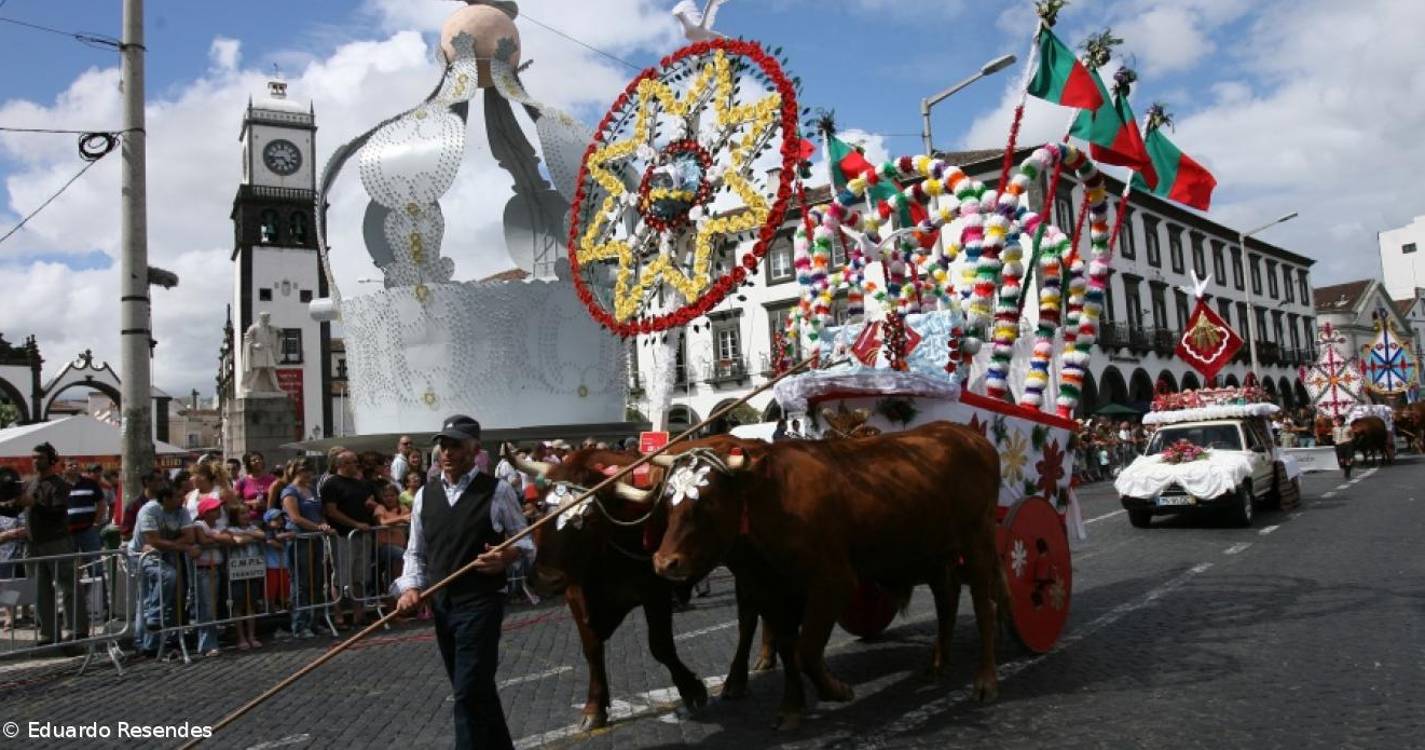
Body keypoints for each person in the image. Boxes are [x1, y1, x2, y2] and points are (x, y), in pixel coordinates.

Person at [395, 415, 533, 750]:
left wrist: (505, 557)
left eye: (455, 444)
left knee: (467, 691)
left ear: (475, 450)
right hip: (443, 604)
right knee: (475, 688)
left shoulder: (497, 491)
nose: (446, 451)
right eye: (443, 444)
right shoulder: (425, 496)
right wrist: (411, 588)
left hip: (481, 602)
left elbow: (527, 542)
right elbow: (415, 552)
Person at [0, 444, 85, 646]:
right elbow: (15, 510)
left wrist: (34, 504)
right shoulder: (30, 483)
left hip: (56, 542)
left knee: (68, 587)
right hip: (33, 544)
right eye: (33, 457)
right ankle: (48, 633)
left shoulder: (59, 485)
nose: (35, 461)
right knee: (40, 590)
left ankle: (77, 630)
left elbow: (57, 513)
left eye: (40, 457)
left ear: (51, 460)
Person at [129, 482, 196, 657]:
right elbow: (153, 540)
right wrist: (178, 546)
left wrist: (168, 546)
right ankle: (145, 635)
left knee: (169, 595)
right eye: (178, 496)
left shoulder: (182, 511)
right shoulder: (149, 510)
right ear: (166, 499)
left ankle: (154, 642)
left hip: (166, 555)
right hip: (141, 556)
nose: (183, 499)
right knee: (157, 587)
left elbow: (189, 536)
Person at [321, 450, 376, 630]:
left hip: (361, 536)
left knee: (359, 576)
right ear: (342, 465)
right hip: (343, 536)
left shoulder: (360, 484)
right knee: (340, 576)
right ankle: (338, 616)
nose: (357, 465)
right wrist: (355, 524)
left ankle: (358, 615)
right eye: (353, 462)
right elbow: (331, 510)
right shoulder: (331, 484)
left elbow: (369, 503)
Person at [281, 459, 330, 639]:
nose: (307, 474)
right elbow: (295, 518)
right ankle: (300, 624)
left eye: (309, 470)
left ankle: (314, 621)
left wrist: (323, 524)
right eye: (303, 470)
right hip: (300, 540)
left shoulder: (311, 490)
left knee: (316, 582)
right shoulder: (289, 492)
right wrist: (318, 528)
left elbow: (319, 513)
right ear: (294, 471)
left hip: (315, 540)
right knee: (301, 584)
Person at [191, 496, 237, 657]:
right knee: (206, 608)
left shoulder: (218, 526)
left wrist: (213, 538)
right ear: (205, 512)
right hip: (203, 570)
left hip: (216, 569)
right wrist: (217, 539)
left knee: (212, 606)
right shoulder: (198, 524)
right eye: (214, 509)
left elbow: (230, 539)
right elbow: (202, 540)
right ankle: (207, 644)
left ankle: (210, 642)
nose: (218, 511)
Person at [227, 505, 267, 650]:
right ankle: (241, 637)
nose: (246, 515)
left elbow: (263, 535)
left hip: (253, 571)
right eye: (242, 513)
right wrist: (251, 536)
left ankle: (251, 636)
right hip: (238, 572)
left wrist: (249, 536)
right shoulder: (230, 529)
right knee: (238, 605)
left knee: (251, 604)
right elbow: (238, 541)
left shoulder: (253, 527)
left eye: (247, 512)